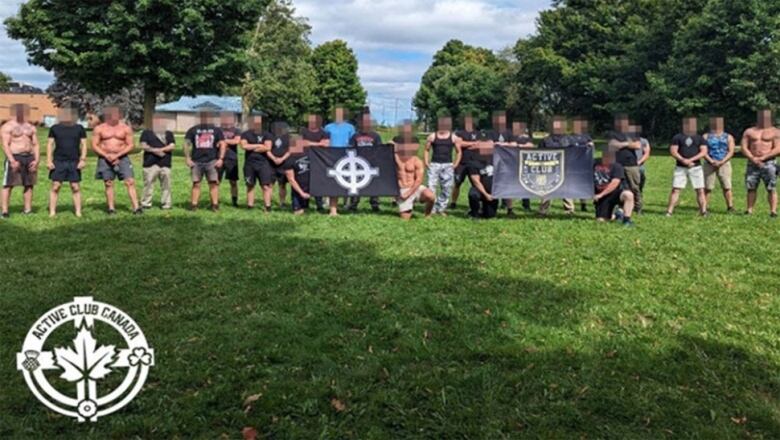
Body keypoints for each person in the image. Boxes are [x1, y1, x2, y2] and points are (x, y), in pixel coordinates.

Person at [92, 106, 141, 215]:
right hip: (105, 158)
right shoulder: (99, 128)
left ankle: (136, 208)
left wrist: (118, 155)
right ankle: (111, 208)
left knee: (130, 181)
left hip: (122, 158)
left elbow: (131, 145)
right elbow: (94, 145)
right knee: (108, 183)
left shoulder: (125, 128)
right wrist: (106, 155)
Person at [46, 107, 87, 217]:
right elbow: (50, 144)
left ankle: (78, 212)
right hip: (58, 161)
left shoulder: (79, 128)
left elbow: (84, 145)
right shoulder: (55, 128)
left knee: (75, 187)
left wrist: (83, 159)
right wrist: (49, 161)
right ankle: (52, 212)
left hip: (74, 161)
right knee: (56, 186)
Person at [1, 104, 39, 217]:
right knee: (8, 184)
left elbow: (36, 144)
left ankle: (27, 210)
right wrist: (12, 160)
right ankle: (4, 211)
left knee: (29, 184)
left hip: (29, 157)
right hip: (15, 157)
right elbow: (5, 145)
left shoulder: (30, 127)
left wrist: (37, 160)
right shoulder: (7, 127)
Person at [184, 109, 226, 211]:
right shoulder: (193, 130)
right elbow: (186, 144)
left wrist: (221, 158)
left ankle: (215, 205)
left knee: (213, 183)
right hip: (196, 161)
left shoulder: (217, 130)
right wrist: (187, 158)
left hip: (212, 161)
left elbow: (223, 144)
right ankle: (194, 205)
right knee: (196, 183)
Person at [666, 117, 708, 217]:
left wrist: (691, 160)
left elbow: (704, 151)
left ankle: (703, 211)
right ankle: (669, 211)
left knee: (700, 190)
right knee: (676, 189)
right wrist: (683, 160)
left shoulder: (700, 138)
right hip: (680, 167)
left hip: (696, 167)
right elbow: (673, 151)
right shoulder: (677, 137)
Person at [742, 109, 780, 217]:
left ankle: (773, 211)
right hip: (752, 162)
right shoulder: (749, 131)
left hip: (769, 163)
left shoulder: (775, 132)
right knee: (751, 187)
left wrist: (763, 157)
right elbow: (744, 147)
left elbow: (778, 148)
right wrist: (752, 157)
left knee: (771, 188)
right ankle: (749, 210)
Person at [424, 116, 462, 215]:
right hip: (434, 165)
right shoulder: (432, 136)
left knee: (446, 188)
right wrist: (426, 161)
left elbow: (459, 151)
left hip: (448, 165)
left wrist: (456, 163)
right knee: (431, 187)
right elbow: (426, 150)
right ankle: (431, 209)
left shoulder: (453, 137)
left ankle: (441, 208)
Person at [347, 112, 383, 212]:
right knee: (356, 184)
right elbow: (350, 149)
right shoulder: (355, 136)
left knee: (374, 184)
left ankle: (375, 204)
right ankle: (353, 204)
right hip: (358, 164)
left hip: (372, 164)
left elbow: (379, 149)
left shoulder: (376, 136)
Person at [484, 112, 517, 218]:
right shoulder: (489, 132)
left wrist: (500, 144)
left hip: (506, 163)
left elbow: (514, 144)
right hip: (492, 162)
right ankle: (488, 205)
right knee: (490, 184)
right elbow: (488, 145)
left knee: (507, 185)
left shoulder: (509, 132)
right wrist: (500, 145)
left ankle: (510, 209)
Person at [324, 107, 356, 215]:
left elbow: (353, 141)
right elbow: (324, 141)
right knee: (331, 178)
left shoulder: (350, 127)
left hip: (345, 156)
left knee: (346, 178)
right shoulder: (328, 127)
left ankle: (345, 202)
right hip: (331, 155)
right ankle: (328, 200)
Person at [139, 115, 175, 210]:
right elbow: (143, 145)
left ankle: (166, 204)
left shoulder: (169, 133)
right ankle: (146, 203)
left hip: (165, 163)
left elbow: (172, 146)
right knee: (148, 184)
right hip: (150, 163)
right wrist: (155, 151)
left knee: (166, 185)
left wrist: (161, 149)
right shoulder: (146, 133)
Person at [539, 116, 573, 215]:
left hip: (564, 167)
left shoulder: (569, 140)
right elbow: (539, 153)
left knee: (566, 189)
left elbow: (575, 152)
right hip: (549, 168)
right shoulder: (545, 140)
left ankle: (569, 209)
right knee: (547, 189)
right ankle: (543, 209)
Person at [609, 115, 642, 214]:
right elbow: (612, 145)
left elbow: (638, 145)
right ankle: (620, 207)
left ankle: (638, 207)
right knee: (617, 186)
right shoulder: (613, 134)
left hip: (631, 164)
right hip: (617, 164)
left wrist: (621, 144)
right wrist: (628, 144)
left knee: (634, 187)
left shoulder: (633, 133)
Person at [593, 148, 635, 227]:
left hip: (614, 193)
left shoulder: (617, 166)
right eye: (605, 155)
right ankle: (617, 215)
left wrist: (600, 195)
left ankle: (626, 220)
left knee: (628, 195)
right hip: (602, 198)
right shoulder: (594, 163)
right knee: (601, 221)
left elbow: (615, 183)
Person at [240, 114, 273, 211]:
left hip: (263, 164)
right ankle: (250, 206)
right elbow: (244, 146)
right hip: (249, 164)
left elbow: (268, 147)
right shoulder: (245, 134)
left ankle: (267, 207)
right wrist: (259, 145)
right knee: (250, 185)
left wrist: (252, 146)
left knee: (265, 186)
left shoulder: (267, 134)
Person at [394, 139, 435, 220]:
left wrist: (408, 193)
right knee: (405, 219)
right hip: (402, 189)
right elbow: (388, 145)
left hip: (415, 187)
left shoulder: (417, 161)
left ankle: (427, 214)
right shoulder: (395, 158)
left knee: (431, 196)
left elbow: (419, 180)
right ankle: (408, 205)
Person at [702, 117, 735, 213]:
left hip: (724, 164)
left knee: (727, 186)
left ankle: (730, 206)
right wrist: (711, 161)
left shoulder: (728, 137)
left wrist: (722, 161)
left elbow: (731, 151)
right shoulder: (705, 136)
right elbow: (703, 150)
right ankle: (704, 207)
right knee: (707, 187)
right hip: (709, 163)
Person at [300, 114, 330, 212]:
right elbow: (301, 143)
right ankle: (304, 204)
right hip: (304, 158)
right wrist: (318, 144)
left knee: (318, 182)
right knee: (305, 181)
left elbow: (326, 144)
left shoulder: (324, 132)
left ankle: (319, 204)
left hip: (319, 160)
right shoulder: (303, 131)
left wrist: (309, 143)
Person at [450, 115, 480, 209]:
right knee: (457, 183)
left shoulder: (478, 133)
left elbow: (481, 144)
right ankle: (453, 202)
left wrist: (466, 144)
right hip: (461, 163)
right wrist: (473, 143)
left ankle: (476, 204)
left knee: (476, 184)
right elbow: (459, 143)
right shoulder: (459, 133)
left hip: (474, 162)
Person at [467, 141, 499, 219]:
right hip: (480, 190)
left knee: (490, 216)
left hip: (492, 192)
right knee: (473, 194)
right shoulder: (473, 162)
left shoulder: (497, 160)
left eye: (490, 148)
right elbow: (476, 181)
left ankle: (485, 210)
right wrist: (486, 194)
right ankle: (474, 213)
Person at [571, 117, 595, 212]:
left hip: (584, 164)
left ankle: (583, 204)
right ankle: (571, 206)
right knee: (572, 184)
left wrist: (590, 145)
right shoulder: (570, 137)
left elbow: (592, 146)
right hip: (573, 163)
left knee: (582, 184)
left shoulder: (586, 137)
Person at [218, 112, 242, 207]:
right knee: (216, 181)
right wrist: (227, 142)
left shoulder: (237, 130)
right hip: (218, 157)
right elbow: (215, 141)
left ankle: (234, 201)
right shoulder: (217, 130)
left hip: (232, 158)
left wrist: (223, 142)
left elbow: (236, 141)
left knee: (233, 181)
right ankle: (215, 201)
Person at [283, 137, 312, 215]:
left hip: (310, 186)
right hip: (298, 189)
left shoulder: (310, 155)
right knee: (298, 212)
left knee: (306, 210)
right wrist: (301, 193)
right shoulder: (289, 160)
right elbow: (291, 180)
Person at [511, 121, 534, 212]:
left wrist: (518, 145)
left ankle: (526, 204)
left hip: (525, 163)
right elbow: (510, 145)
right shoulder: (512, 137)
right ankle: (506, 204)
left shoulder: (527, 138)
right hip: (512, 163)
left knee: (525, 183)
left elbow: (530, 146)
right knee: (510, 183)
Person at [268, 122, 291, 209]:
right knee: (270, 184)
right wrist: (274, 158)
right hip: (271, 164)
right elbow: (267, 149)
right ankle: (268, 202)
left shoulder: (289, 138)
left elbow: (290, 150)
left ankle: (282, 203)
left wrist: (282, 159)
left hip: (284, 163)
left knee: (282, 184)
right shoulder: (270, 137)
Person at [631, 125, 652, 213]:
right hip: (628, 166)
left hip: (639, 167)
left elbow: (647, 153)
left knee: (638, 188)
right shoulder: (625, 140)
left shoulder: (643, 141)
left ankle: (638, 206)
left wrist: (639, 162)